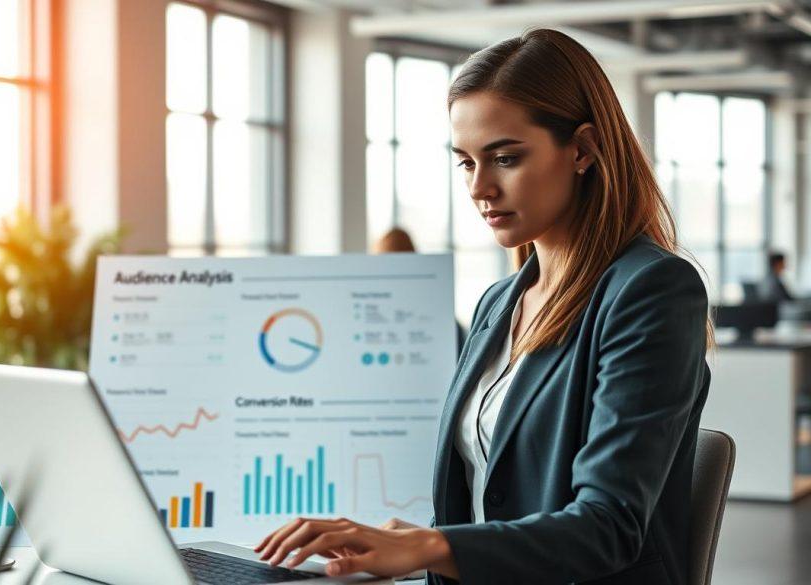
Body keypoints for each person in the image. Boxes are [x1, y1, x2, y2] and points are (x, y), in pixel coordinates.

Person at [255, 28, 712, 585]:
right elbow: (486, 498)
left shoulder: (651, 290)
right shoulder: (500, 302)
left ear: (584, 150)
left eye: (505, 158)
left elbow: (607, 526)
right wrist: (398, 543)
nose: (479, 189)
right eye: (467, 163)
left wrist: (430, 546)